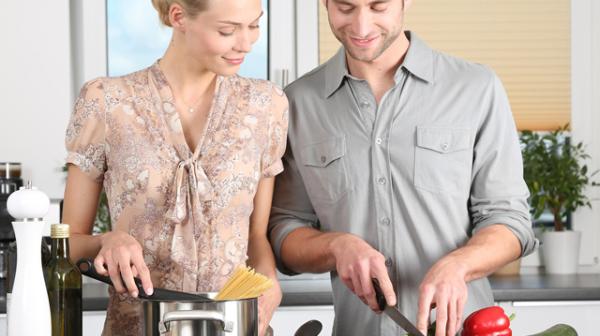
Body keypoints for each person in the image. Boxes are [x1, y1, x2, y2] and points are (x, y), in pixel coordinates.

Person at [268, 0, 537, 335]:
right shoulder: (298, 103)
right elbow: (283, 232)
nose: (362, 27)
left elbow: (510, 221)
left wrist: (460, 264)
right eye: (345, 8)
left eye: (378, 7)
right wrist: (337, 246)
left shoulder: (475, 88)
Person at [62, 0, 288, 334]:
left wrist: (268, 282)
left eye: (254, 25)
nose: (246, 43)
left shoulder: (267, 105)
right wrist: (107, 241)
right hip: (137, 327)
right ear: (178, 16)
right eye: (227, 30)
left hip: (236, 327)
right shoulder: (107, 101)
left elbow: (255, 235)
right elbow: (66, 244)